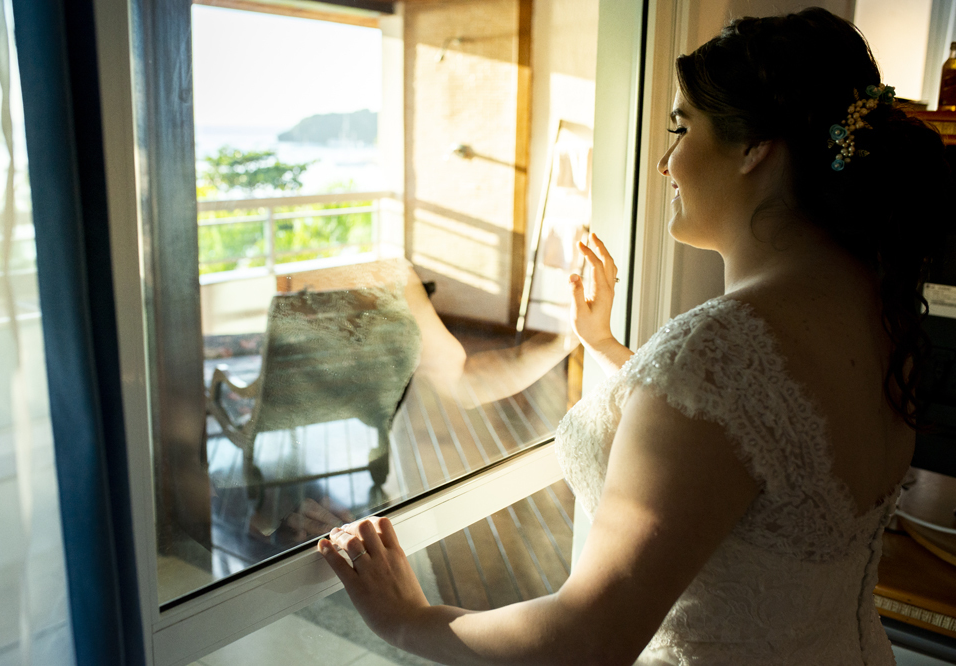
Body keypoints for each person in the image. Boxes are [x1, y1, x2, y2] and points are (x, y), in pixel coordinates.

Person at [317, 8, 952, 664]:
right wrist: (612, 349)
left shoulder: (718, 357)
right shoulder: (875, 310)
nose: (665, 162)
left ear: (755, 148)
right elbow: (768, 442)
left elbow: (586, 640)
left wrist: (408, 620)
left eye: (682, 127)